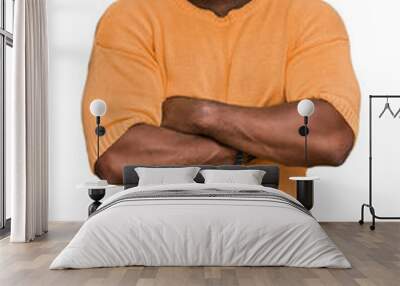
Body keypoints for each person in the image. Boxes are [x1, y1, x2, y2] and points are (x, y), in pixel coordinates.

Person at [82, 0, 360, 197]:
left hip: (269, 225)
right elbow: (119, 158)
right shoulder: (130, 16)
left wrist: (201, 115)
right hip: (157, 223)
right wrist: (264, 143)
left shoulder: (309, 14)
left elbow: (330, 138)